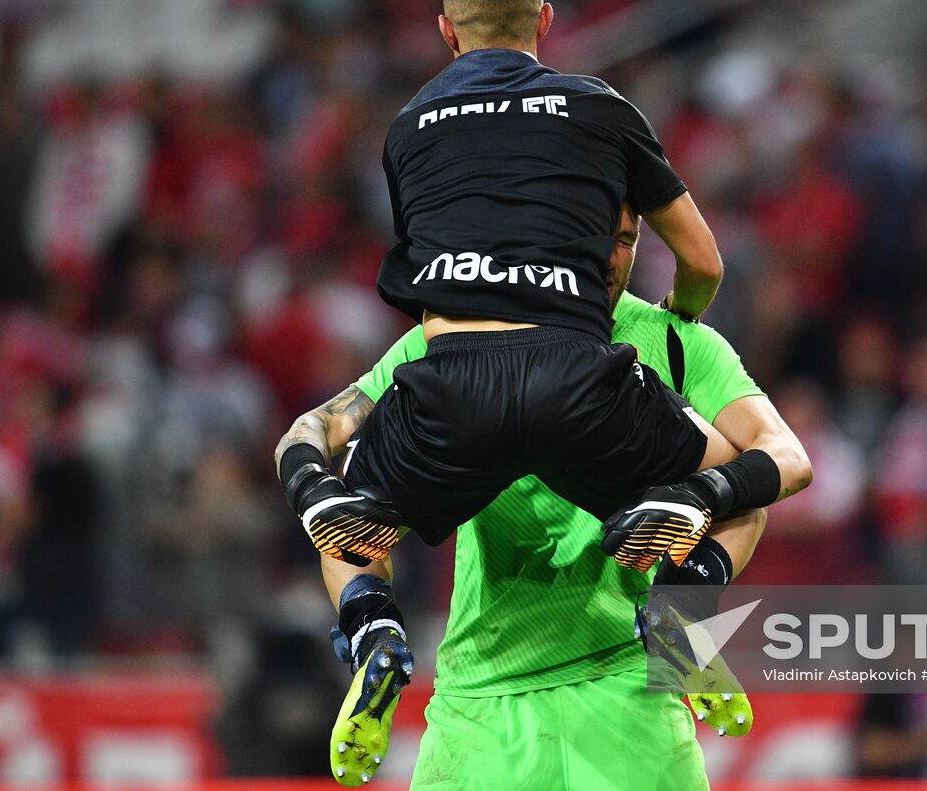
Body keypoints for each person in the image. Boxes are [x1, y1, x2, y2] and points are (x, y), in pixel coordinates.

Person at [276, 0, 807, 581]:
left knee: (348, 515)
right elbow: (703, 262)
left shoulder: (407, 127)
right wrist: (678, 318)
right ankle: (686, 582)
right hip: (577, 377)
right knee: (752, 477)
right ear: (546, 20)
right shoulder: (601, 108)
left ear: (447, 31)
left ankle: (364, 615)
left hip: (448, 390)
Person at [279, 204, 812, 787]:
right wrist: (708, 491)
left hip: (546, 693)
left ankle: (373, 632)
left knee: (350, 515)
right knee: (739, 484)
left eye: (627, 241)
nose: (612, 258)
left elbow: (327, 445)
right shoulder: (672, 343)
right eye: (597, 236)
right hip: (540, 697)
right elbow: (784, 456)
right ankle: (679, 609)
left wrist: (311, 487)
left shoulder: (455, 340)